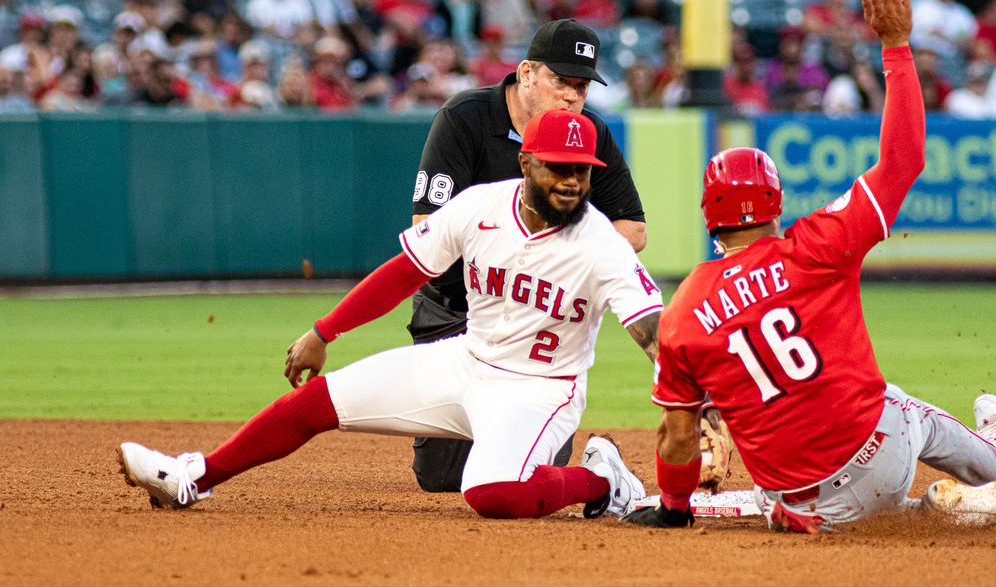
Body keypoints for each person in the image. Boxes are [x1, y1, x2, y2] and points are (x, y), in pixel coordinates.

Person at [622, 0, 996, 533]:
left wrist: (674, 510)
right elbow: (904, 161)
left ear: (708, 217)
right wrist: (895, 46)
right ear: (775, 202)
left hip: (806, 509)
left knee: (784, 486)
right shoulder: (817, 243)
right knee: (899, 406)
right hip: (881, 455)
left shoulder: (683, 313)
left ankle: (930, 515)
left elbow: (677, 437)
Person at [118, 109, 660, 522]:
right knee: (314, 402)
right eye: (558, 167)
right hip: (467, 361)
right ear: (525, 162)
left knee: (490, 494)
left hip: (541, 389)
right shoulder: (480, 207)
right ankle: (193, 477)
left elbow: (652, 332)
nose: (571, 180)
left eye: (582, 171)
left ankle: (600, 479)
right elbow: (405, 273)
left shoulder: (601, 245)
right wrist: (323, 331)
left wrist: (694, 400)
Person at [405, 19, 648, 494]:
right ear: (527, 73)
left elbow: (633, 229)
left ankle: (598, 473)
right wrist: (516, 258)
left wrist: (562, 260)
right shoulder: (466, 118)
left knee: (525, 470)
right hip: (454, 312)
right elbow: (424, 226)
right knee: (440, 479)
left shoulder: (588, 133)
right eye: (562, 81)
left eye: (581, 85)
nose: (572, 96)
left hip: (536, 326)